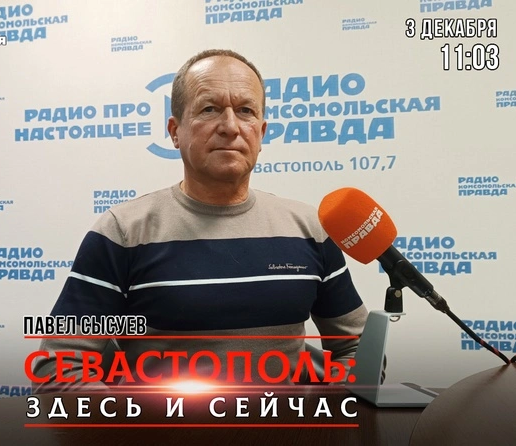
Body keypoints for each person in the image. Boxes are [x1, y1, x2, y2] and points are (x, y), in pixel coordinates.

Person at [32, 49, 369, 391]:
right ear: (175, 131)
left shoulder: (310, 230)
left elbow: (359, 350)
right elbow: (57, 369)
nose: (231, 127)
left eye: (246, 111)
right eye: (209, 109)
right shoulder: (123, 233)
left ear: (262, 132)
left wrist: (317, 408)